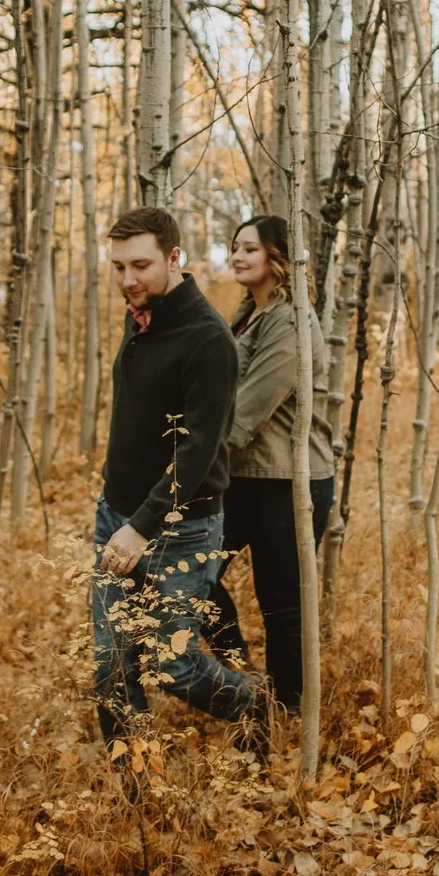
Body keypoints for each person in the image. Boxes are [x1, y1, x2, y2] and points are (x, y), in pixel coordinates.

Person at [90, 205, 273, 758]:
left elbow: (199, 451)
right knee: (110, 666)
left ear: (175, 258)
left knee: (171, 666)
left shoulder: (207, 338)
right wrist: (116, 511)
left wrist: (140, 528)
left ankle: (255, 705)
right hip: (115, 516)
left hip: (181, 529)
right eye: (118, 266)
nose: (128, 280)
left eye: (141, 265)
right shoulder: (139, 313)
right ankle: (136, 795)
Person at [205, 215, 334, 716]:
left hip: (288, 481)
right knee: (194, 577)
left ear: (277, 259)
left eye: (249, 250)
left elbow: (249, 407)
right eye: (234, 247)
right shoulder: (248, 313)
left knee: (282, 607)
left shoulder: (291, 320)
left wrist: (188, 461)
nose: (237, 257)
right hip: (240, 478)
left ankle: (287, 712)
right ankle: (239, 674)